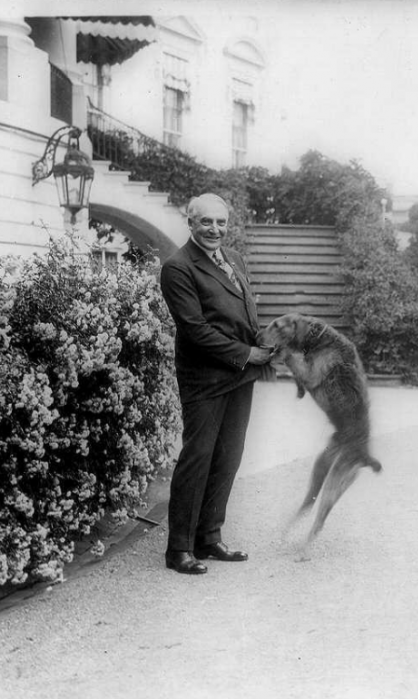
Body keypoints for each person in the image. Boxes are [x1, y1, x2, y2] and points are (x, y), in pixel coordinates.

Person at [159, 193, 273, 575]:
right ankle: (179, 549)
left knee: (228, 458)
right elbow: (195, 331)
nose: (214, 230)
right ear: (190, 224)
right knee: (198, 458)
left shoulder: (234, 259)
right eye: (206, 222)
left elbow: (244, 311)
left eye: (221, 223)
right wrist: (246, 353)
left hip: (240, 375)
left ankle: (209, 537)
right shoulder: (178, 267)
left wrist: (263, 342)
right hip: (205, 378)